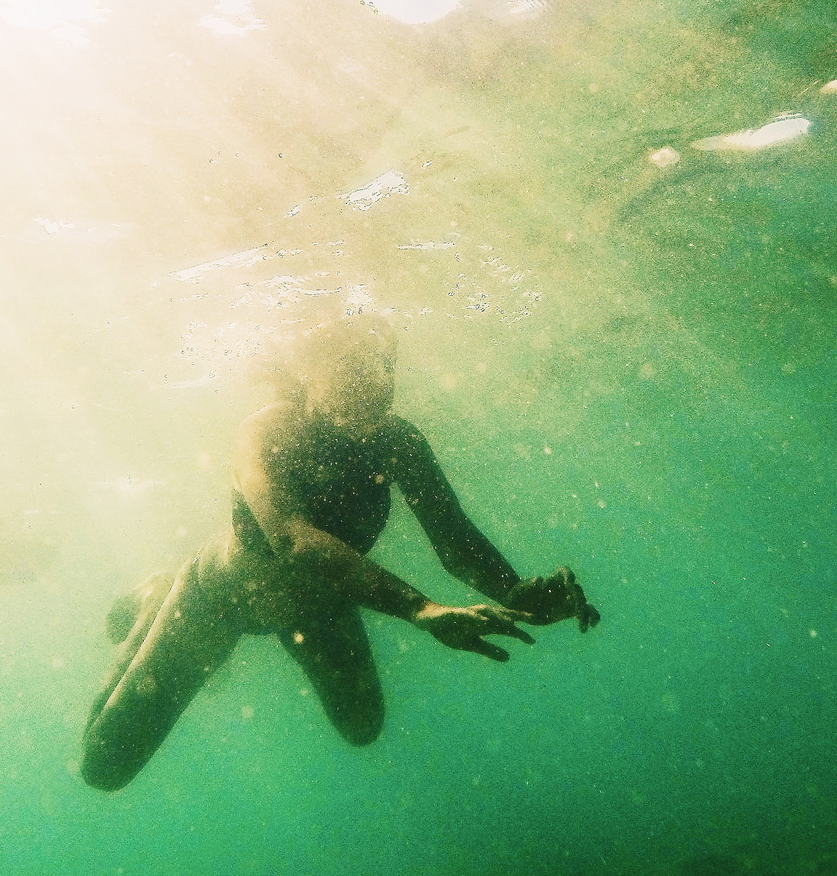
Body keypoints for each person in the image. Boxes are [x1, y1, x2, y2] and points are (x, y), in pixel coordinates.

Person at [81, 314, 601, 791]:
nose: (374, 379)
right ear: (305, 375)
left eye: (383, 365)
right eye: (352, 366)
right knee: (104, 766)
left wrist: (517, 594)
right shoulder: (268, 430)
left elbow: (454, 542)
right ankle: (158, 593)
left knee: (363, 728)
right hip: (220, 599)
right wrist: (421, 609)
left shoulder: (400, 442)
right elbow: (291, 538)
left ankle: (179, 610)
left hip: (322, 603)